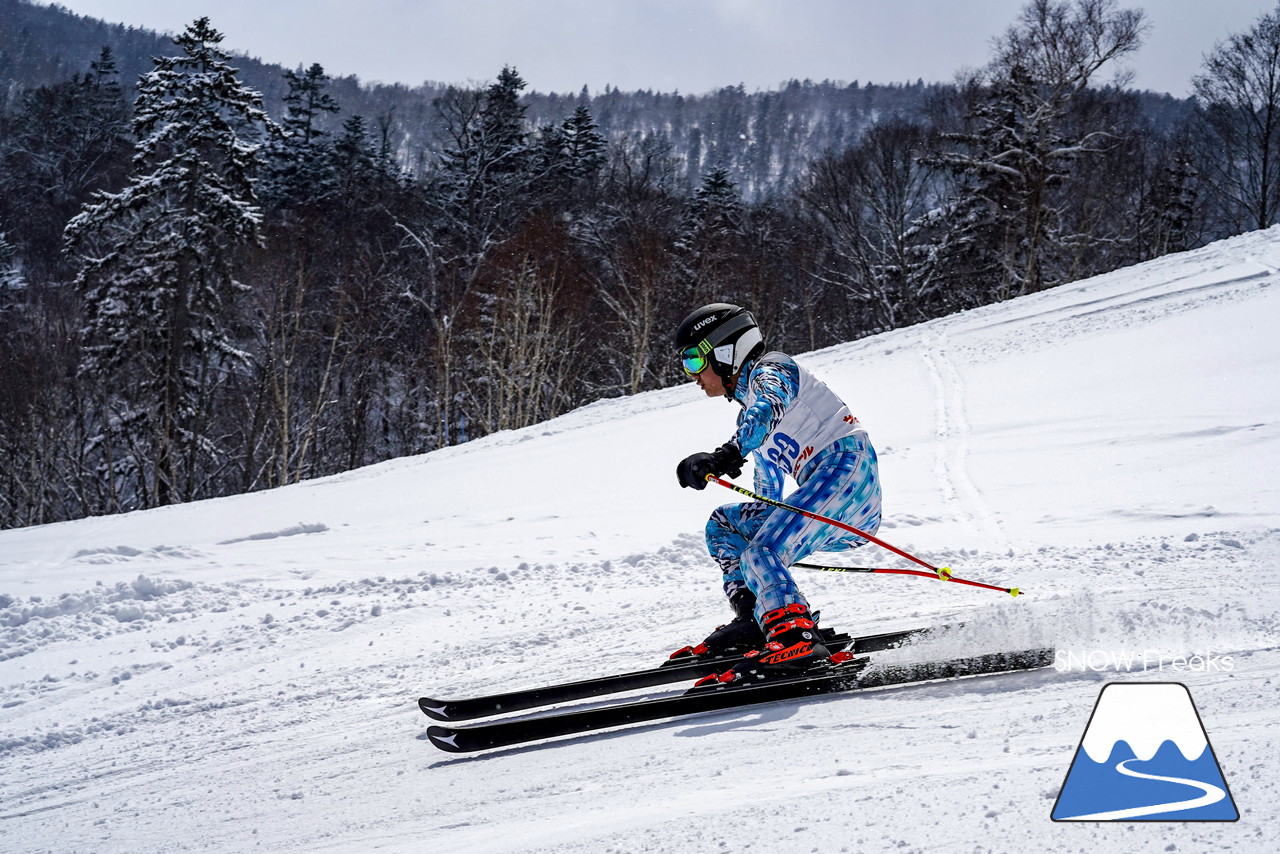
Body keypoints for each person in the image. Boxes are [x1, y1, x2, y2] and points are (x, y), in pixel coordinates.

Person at [672, 303, 882, 684]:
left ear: (724, 352)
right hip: (826, 493)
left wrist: (727, 454)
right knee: (725, 526)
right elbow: (768, 492)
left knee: (761, 552)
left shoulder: (773, 369)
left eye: (692, 359)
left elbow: (770, 405)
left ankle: (793, 638)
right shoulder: (747, 415)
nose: (692, 375)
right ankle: (760, 620)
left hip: (847, 473)